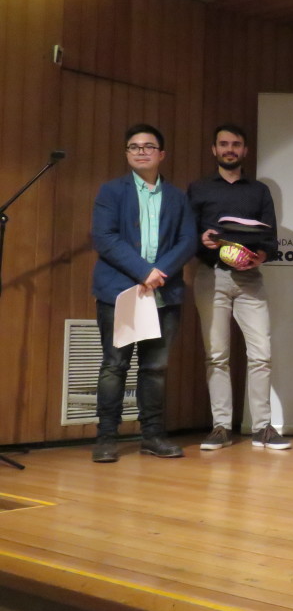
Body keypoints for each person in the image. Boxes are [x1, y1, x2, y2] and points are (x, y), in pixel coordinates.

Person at [90, 124, 197, 462]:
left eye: (148, 146)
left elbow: (188, 241)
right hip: (119, 292)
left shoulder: (178, 197)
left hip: (164, 294)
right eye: (133, 146)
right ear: (127, 153)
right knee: (114, 365)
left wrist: (158, 272)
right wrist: (143, 271)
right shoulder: (111, 191)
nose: (141, 151)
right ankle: (106, 438)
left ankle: (152, 436)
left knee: (155, 368)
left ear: (161, 154)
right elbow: (104, 238)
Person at [187, 124, 291, 451]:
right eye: (224, 144)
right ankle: (220, 427)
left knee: (261, 354)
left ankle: (262, 427)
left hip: (250, 277)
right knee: (216, 355)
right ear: (214, 149)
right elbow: (185, 236)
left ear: (244, 150)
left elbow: (271, 239)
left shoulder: (259, 191)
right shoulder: (199, 188)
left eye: (236, 144)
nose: (229, 149)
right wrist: (201, 240)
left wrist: (261, 256)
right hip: (211, 275)